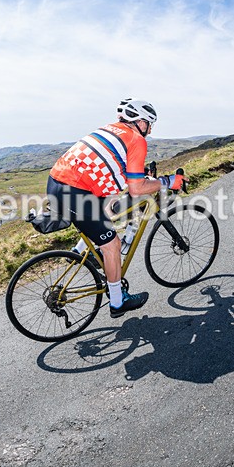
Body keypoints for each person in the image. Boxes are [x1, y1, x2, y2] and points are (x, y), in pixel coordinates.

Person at [47, 97, 183, 318]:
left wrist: (142, 176)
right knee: (112, 244)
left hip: (56, 182)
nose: (149, 130)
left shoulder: (109, 129)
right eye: (150, 124)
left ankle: (81, 252)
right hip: (73, 193)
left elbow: (114, 168)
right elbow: (137, 189)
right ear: (140, 121)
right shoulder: (137, 139)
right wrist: (168, 181)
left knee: (110, 203)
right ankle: (118, 302)